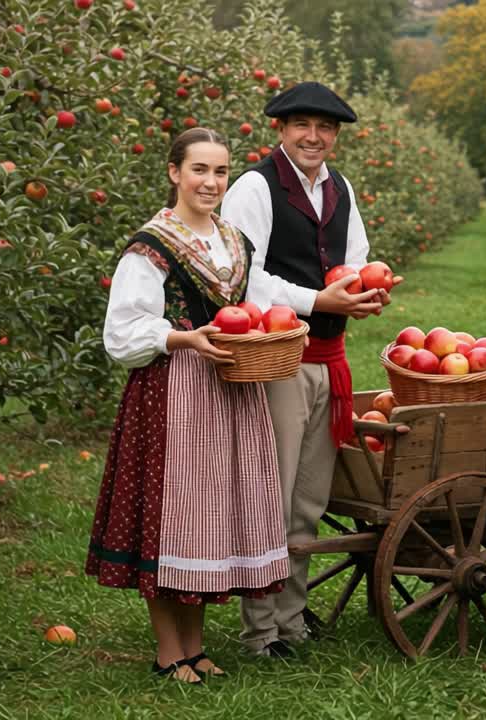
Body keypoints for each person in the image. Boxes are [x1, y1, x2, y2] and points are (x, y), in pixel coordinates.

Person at [85, 127, 291, 683]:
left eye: (220, 171)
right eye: (199, 169)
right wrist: (184, 337)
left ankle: (196, 648)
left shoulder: (232, 240)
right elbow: (122, 332)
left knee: (210, 517)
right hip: (174, 391)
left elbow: (262, 303)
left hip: (231, 389)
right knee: (171, 518)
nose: (210, 181)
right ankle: (167, 650)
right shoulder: (151, 246)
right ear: (174, 172)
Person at [222, 81, 395, 658]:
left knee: (308, 498)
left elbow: (356, 259)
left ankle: (291, 619)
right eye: (302, 126)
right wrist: (321, 301)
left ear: (336, 135)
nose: (314, 136)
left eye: (325, 128)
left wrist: (368, 289)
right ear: (280, 129)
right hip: (276, 359)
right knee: (271, 490)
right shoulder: (255, 187)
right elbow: (242, 276)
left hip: (328, 358)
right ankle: (259, 629)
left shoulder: (339, 188)